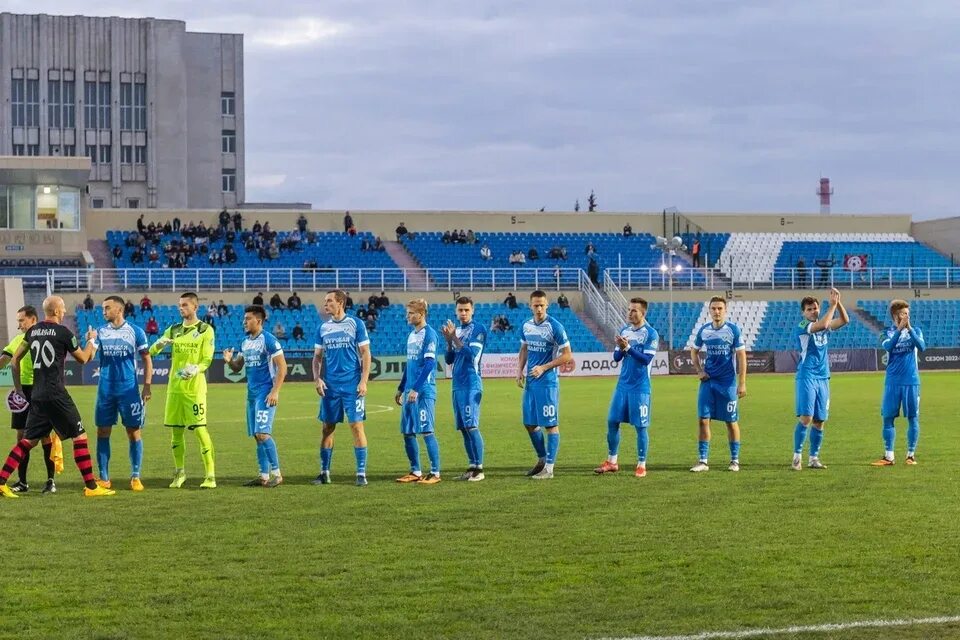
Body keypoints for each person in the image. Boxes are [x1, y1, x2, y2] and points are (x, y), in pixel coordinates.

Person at [0, 296, 114, 498]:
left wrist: (18, 389)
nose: (63, 312)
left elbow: (15, 360)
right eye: (62, 309)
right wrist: (91, 341)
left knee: (28, 441)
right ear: (55, 311)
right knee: (80, 436)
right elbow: (84, 359)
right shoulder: (63, 332)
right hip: (57, 394)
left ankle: (1, 482)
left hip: (37, 395)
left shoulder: (33, 331)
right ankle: (91, 486)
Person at [148, 292, 217, 489]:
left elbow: (207, 359)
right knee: (176, 433)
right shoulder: (174, 329)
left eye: (185, 305)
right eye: (180, 305)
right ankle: (180, 474)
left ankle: (210, 476)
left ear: (195, 307)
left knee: (200, 430)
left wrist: (197, 369)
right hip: (175, 389)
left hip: (194, 390)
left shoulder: (206, 330)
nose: (181, 308)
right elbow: (152, 351)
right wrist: (160, 343)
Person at [92, 296, 153, 491]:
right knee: (102, 432)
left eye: (107, 308)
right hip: (105, 391)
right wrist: (90, 341)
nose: (103, 312)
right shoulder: (100, 332)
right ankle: (104, 478)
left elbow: (147, 359)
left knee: (133, 432)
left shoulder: (136, 331)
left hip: (129, 391)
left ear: (119, 310)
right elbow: (89, 357)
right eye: (103, 309)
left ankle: (135, 476)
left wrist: (147, 386)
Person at [312, 289, 372, 486]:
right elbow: (317, 358)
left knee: (356, 426)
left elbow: (365, 353)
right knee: (327, 428)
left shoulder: (356, 324)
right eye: (325, 301)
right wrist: (317, 379)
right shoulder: (323, 328)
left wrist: (363, 381)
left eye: (329, 301)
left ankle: (361, 474)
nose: (325, 304)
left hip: (352, 384)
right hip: (330, 386)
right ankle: (324, 472)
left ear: (340, 303)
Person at [595, 298, 659, 478]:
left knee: (640, 427)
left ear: (643, 313)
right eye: (629, 310)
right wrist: (622, 348)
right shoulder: (625, 331)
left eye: (634, 311)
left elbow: (646, 360)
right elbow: (616, 358)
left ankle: (641, 465)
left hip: (640, 387)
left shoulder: (651, 334)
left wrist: (628, 347)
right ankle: (612, 461)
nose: (630, 313)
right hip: (622, 386)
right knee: (612, 421)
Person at [224, 306, 287, 487]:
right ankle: (263, 476)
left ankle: (277, 474)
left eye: (248, 318)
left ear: (258, 321)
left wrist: (275, 391)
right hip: (251, 394)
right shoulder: (245, 342)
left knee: (263, 433)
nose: (244, 321)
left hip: (265, 393)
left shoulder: (268, 340)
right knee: (256, 435)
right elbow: (237, 367)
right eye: (244, 318)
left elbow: (282, 367)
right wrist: (229, 361)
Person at [0, 306, 57, 493]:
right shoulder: (17, 340)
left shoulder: (43, 338)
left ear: (33, 319)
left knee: (44, 436)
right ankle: (22, 482)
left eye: (21, 321)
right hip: (21, 392)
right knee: (21, 436)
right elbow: (5, 359)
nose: (19, 325)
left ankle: (50, 481)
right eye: (18, 321)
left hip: (41, 390)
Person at [517, 290, 573, 480]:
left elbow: (567, 355)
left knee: (551, 425)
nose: (539, 308)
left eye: (542, 305)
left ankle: (549, 468)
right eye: (536, 305)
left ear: (547, 305)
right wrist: (519, 370)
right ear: (530, 306)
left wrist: (544, 367)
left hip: (547, 383)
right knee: (529, 423)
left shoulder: (555, 326)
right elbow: (524, 348)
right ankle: (542, 460)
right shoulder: (526, 325)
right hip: (531, 383)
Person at [792, 289, 848, 471]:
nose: (813, 311)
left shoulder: (822, 323)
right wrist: (831, 306)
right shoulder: (803, 326)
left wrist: (838, 302)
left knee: (820, 420)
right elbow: (824, 324)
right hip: (807, 375)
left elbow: (845, 320)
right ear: (803, 312)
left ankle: (814, 458)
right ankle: (797, 456)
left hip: (823, 377)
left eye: (815, 308)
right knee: (806, 418)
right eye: (809, 309)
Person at [689, 296, 747, 473]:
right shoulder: (704, 330)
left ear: (725, 310)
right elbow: (694, 350)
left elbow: (741, 356)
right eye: (713, 308)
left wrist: (742, 383)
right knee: (703, 420)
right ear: (709, 311)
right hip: (708, 382)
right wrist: (699, 370)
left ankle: (734, 460)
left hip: (728, 383)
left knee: (731, 421)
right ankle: (703, 461)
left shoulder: (733, 330)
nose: (716, 311)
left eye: (720, 308)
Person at [873, 300, 926, 466]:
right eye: (904, 313)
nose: (907, 316)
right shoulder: (885, 333)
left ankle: (910, 455)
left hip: (911, 381)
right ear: (895, 315)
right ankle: (889, 456)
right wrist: (899, 329)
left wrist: (908, 329)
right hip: (892, 382)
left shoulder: (915, 330)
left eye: (908, 313)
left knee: (913, 418)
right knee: (888, 418)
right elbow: (889, 347)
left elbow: (922, 347)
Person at [394, 299, 441, 484]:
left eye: (410, 313)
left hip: (423, 391)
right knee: (408, 432)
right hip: (409, 391)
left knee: (426, 431)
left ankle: (435, 473)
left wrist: (416, 388)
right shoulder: (412, 335)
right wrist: (401, 388)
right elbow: (410, 364)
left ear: (421, 314)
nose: (407, 316)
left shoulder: (430, 335)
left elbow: (430, 364)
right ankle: (415, 471)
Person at [442, 297, 487, 481]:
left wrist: (454, 337)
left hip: (471, 383)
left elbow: (471, 355)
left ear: (472, 311)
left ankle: (480, 469)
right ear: (456, 311)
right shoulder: (457, 330)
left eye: (466, 310)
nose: (463, 313)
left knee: (471, 425)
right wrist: (448, 341)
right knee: (463, 428)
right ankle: (472, 466)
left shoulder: (478, 329)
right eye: (460, 310)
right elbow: (448, 359)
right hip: (457, 385)